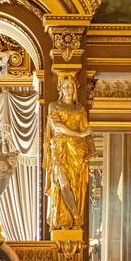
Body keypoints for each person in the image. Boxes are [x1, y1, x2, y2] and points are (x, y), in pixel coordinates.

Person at [43, 75, 93, 230]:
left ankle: (74, 218)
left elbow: (88, 131)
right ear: (60, 88)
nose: (68, 89)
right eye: (65, 86)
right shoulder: (54, 106)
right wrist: (79, 134)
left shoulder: (80, 110)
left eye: (70, 86)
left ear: (75, 88)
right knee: (62, 182)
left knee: (75, 186)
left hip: (77, 151)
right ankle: (71, 216)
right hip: (59, 149)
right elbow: (57, 127)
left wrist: (92, 149)